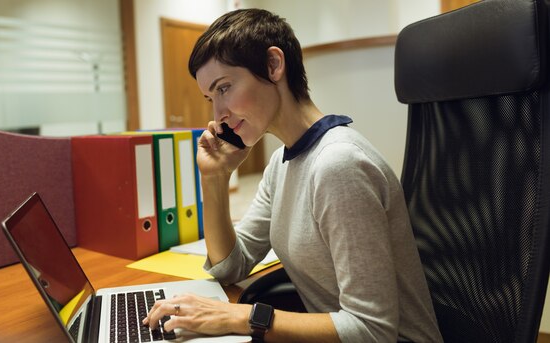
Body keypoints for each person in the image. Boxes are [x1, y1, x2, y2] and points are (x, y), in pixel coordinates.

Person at [143, 8, 443, 343]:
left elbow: (373, 330)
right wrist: (214, 178)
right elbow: (229, 267)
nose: (218, 115)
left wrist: (243, 317)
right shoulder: (281, 164)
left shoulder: (338, 165)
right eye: (210, 97)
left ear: (273, 66)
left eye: (224, 88)